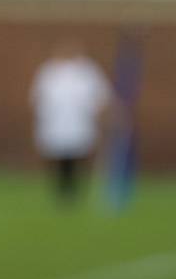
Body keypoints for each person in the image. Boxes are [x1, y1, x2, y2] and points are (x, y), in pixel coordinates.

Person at [29, 39, 114, 206]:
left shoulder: (87, 71)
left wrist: (102, 112)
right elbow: (38, 96)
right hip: (55, 123)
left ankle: (74, 190)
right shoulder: (49, 71)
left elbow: (100, 96)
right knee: (59, 157)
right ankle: (61, 190)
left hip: (79, 123)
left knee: (77, 156)